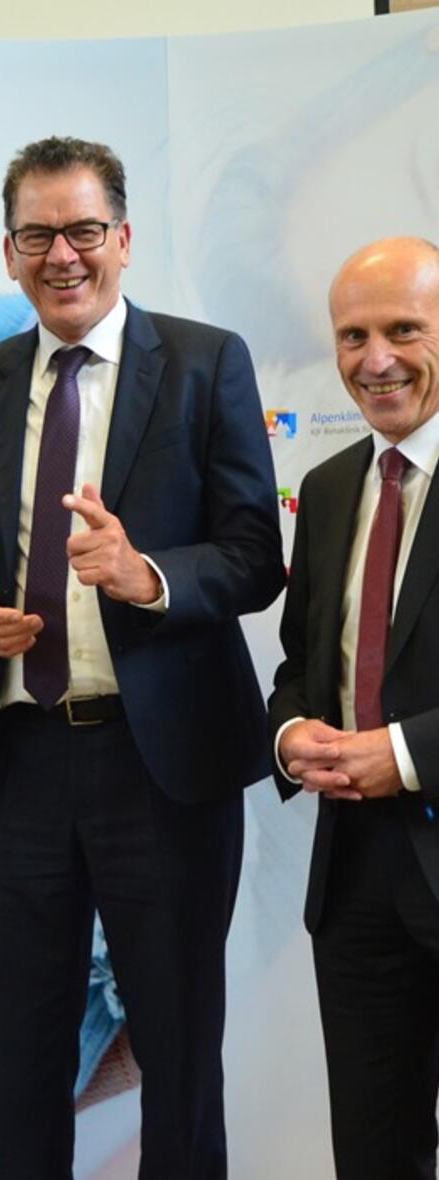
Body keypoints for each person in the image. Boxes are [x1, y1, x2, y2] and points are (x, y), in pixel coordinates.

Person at [0, 136, 285, 1179]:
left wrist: (149, 578)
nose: (62, 255)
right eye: (36, 235)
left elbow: (254, 553)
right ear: (8, 253)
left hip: (163, 764)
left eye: (83, 231)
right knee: (26, 1056)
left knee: (176, 1049)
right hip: (22, 761)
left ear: (123, 239)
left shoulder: (206, 359)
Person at [270, 236, 439, 1180]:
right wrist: (292, 736)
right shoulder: (333, 487)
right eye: (352, 335)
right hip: (358, 884)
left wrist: (404, 753)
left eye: (404, 330)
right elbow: (301, 667)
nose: (375, 360)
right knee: (374, 1154)